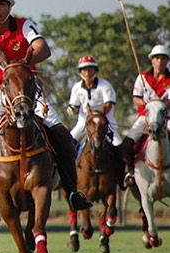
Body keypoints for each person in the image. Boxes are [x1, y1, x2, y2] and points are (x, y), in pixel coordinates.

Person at [0, 0, 92, 220]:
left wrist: (21, 65)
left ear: (9, 6)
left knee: (63, 136)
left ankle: (73, 191)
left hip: (28, 90)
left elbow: (43, 48)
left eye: (1, 4)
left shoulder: (24, 25)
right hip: (0, 93)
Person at [121, 45, 170, 184]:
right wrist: (146, 102)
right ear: (152, 60)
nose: (159, 61)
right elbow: (135, 98)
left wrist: (159, 104)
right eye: (157, 58)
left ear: (167, 61)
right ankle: (130, 173)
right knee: (126, 145)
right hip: (145, 117)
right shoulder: (142, 78)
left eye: (163, 58)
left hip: (166, 117)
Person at [67, 55, 122, 146]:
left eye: (90, 69)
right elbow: (75, 106)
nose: (87, 73)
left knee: (119, 146)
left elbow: (108, 105)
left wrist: (95, 114)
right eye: (84, 70)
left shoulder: (105, 85)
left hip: (105, 122)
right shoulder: (76, 87)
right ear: (80, 72)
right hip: (83, 123)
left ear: (95, 70)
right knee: (68, 144)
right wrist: (72, 110)